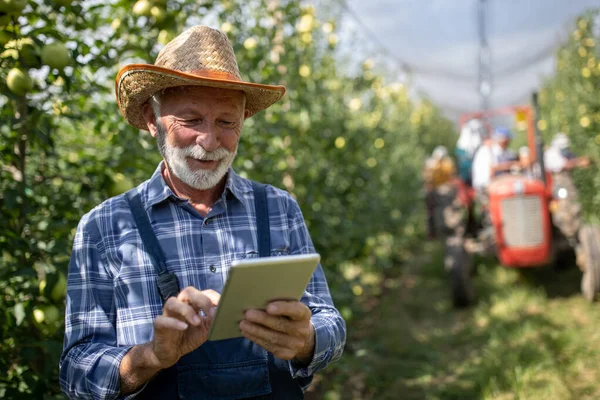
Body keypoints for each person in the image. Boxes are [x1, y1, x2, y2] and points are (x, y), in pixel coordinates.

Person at [59, 26, 346, 399]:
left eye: (226, 122)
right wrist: (149, 356)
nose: (209, 142)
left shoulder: (278, 209)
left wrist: (307, 340)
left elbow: (330, 322)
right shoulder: (105, 227)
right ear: (152, 119)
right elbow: (75, 371)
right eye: (191, 120)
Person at [471, 127, 518, 191]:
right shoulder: (490, 150)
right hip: (485, 187)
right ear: (504, 140)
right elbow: (493, 169)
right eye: (508, 139)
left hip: (487, 184)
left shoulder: (493, 150)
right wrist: (512, 164)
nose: (510, 142)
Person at [455, 118, 485, 185]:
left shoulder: (474, 133)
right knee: (464, 172)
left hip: (468, 155)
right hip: (464, 154)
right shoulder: (467, 131)